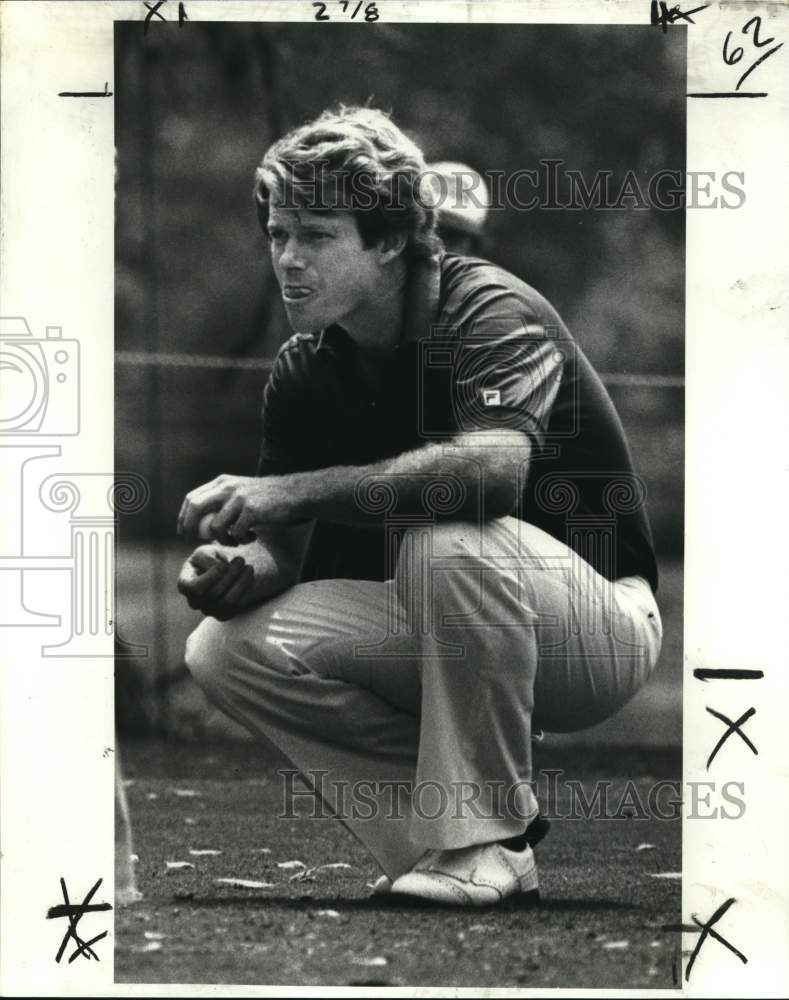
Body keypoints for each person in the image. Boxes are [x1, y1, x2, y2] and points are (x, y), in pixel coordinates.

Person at [177, 106, 662, 907]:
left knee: (444, 541)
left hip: (596, 632)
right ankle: (442, 847)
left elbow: (491, 478)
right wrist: (239, 569)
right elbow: (287, 555)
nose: (288, 261)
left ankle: (489, 840)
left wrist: (286, 490)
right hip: (451, 618)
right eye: (277, 234)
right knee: (223, 649)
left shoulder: (489, 309)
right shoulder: (306, 366)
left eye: (317, 235)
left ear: (391, 238)